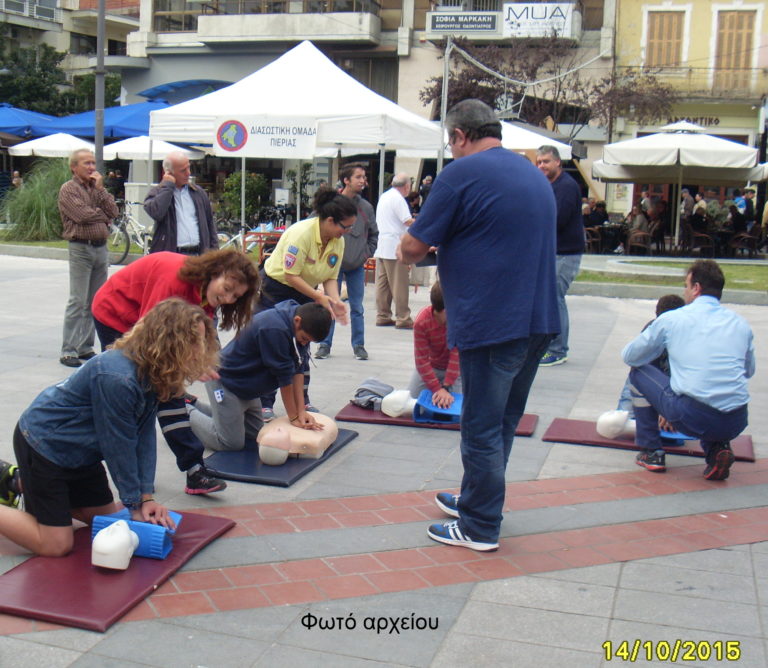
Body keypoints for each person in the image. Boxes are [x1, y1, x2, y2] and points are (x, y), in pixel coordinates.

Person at [398, 99, 559, 552]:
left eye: (451, 142)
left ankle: (479, 525)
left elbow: (412, 247)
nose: (451, 152)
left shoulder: (461, 174)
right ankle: (478, 500)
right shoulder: (532, 172)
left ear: (459, 136)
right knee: (503, 422)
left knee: (481, 427)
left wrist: (418, 240)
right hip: (538, 319)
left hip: (494, 321)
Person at [0, 299, 218, 556]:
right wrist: (134, 503)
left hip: (81, 453)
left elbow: (145, 434)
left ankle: (16, 482)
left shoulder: (156, 372)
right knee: (56, 544)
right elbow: (118, 445)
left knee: (111, 523)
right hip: (45, 446)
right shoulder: (118, 377)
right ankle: (32, 485)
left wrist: (145, 497)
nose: (199, 350)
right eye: (194, 342)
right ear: (171, 342)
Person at [91, 248, 260, 495]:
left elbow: (200, 332)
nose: (229, 298)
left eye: (236, 296)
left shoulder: (205, 293)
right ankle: (168, 472)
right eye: (227, 289)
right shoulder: (174, 280)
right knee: (151, 392)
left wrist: (201, 360)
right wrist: (184, 367)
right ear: (215, 273)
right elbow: (151, 332)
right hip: (116, 314)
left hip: (148, 324)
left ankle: (193, 470)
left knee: (166, 392)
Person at [623, 260, 754, 480]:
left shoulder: (672, 319)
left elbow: (630, 356)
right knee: (713, 392)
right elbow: (748, 372)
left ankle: (651, 450)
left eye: (686, 285)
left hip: (693, 416)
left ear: (696, 288)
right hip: (737, 420)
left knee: (639, 371)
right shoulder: (741, 324)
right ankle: (717, 451)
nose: (684, 292)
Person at [257, 187, 355, 419]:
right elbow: (291, 275)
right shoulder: (301, 233)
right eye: (345, 226)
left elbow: (330, 276)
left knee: (303, 341)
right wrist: (319, 297)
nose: (347, 231)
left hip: (306, 292)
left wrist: (335, 301)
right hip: (277, 289)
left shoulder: (337, 241)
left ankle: (304, 399)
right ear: (330, 220)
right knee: (273, 343)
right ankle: (265, 401)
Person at [187, 302, 332, 451]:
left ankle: (194, 404)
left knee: (257, 435)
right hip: (226, 382)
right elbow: (285, 378)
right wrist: (293, 417)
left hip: (249, 389)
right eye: (305, 338)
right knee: (230, 443)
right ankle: (185, 410)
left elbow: (299, 368)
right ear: (297, 321)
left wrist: (301, 411)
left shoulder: (299, 326)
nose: (305, 342)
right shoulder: (274, 328)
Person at [58, 149, 119, 368]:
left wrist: (101, 191)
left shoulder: (96, 188)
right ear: (74, 167)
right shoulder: (69, 189)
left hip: (100, 248)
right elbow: (81, 215)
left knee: (95, 300)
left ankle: (85, 346)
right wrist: (102, 216)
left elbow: (114, 210)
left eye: (93, 163)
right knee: (78, 300)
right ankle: (68, 350)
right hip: (81, 248)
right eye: (86, 163)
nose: (92, 167)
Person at [315, 163, 378, 361]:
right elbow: (315, 225)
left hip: (355, 265)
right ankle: (325, 344)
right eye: (358, 177)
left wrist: (365, 254)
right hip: (332, 265)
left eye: (364, 177)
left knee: (357, 307)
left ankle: (359, 345)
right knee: (331, 303)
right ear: (346, 180)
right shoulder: (332, 204)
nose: (363, 181)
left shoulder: (366, 207)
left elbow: (374, 234)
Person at [536, 144, 583, 367]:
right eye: (539, 162)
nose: (541, 165)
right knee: (549, 298)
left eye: (545, 161)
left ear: (557, 162)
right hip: (553, 252)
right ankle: (549, 345)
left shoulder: (566, 186)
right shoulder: (548, 185)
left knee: (555, 299)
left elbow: (558, 219)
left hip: (565, 253)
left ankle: (558, 349)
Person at [144, 151, 218, 255]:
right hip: (172, 255)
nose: (188, 173)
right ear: (169, 172)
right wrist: (168, 186)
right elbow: (157, 212)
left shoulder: (198, 192)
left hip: (198, 255)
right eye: (183, 170)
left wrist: (214, 254)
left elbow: (210, 225)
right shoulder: (157, 193)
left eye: (189, 167)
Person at [408, 281, 461, 409]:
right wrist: (437, 389)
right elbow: (421, 361)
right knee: (411, 402)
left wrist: (447, 386)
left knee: (458, 406)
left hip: (457, 370)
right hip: (433, 367)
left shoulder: (458, 319)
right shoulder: (422, 322)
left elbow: (456, 357)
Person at [374, 173, 415, 330]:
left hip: (383, 244)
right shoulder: (398, 199)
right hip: (395, 245)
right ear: (406, 186)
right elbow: (407, 220)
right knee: (399, 283)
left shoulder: (384, 196)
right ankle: (403, 317)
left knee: (383, 284)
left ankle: (383, 315)